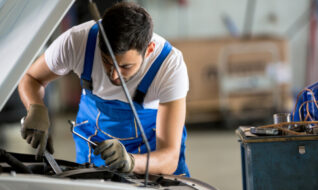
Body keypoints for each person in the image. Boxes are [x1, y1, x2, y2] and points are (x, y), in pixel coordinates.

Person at [18, 2, 190, 176]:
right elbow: (31, 77)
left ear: (149, 50)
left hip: (151, 158)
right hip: (95, 148)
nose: (114, 75)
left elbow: (169, 158)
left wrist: (131, 161)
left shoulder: (169, 65)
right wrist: (36, 107)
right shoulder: (77, 41)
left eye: (126, 66)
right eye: (106, 62)